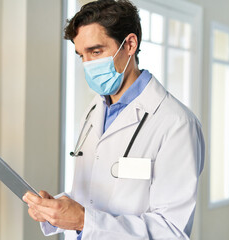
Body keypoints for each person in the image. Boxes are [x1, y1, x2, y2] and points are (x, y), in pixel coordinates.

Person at [23, 0, 205, 239]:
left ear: (129, 45)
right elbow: (92, 197)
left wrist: (83, 220)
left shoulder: (176, 123)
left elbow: (171, 230)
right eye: (82, 55)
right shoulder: (94, 109)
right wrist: (57, 211)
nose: (88, 65)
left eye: (96, 52)